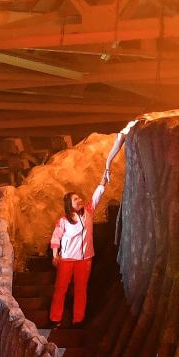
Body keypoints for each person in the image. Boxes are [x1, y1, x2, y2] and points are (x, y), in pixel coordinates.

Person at [48, 128, 129, 328]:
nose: (80, 200)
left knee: (81, 289)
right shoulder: (64, 220)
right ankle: (56, 319)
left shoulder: (89, 212)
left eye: (79, 198)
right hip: (67, 259)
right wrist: (55, 254)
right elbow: (56, 237)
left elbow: (97, 194)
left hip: (85, 259)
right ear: (70, 204)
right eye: (76, 199)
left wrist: (104, 179)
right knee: (62, 289)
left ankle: (78, 319)